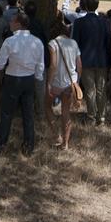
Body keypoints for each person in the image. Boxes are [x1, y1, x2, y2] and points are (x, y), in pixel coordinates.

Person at [0, 11, 45, 155]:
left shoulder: (10, 41)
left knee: (7, 113)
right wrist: (37, 77)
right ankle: (28, 145)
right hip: (29, 79)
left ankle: (1, 143)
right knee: (28, 114)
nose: (10, 23)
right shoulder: (37, 41)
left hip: (12, 79)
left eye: (12, 21)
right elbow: (40, 64)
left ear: (18, 24)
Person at [71, 0, 111, 124]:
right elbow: (108, 42)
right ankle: (102, 116)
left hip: (85, 60)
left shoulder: (79, 22)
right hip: (102, 60)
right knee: (101, 89)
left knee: (90, 90)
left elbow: (75, 43)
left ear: (85, 6)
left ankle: (91, 117)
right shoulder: (105, 22)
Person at [45, 15, 81, 150]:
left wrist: (49, 83)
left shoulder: (52, 43)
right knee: (66, 112)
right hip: (70, 82)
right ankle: (65, 144)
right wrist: (77, 81)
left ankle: (56, 135)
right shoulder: (73, 43)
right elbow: (79, 65)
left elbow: (53, 65)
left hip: (56, 82)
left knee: (47, 107)